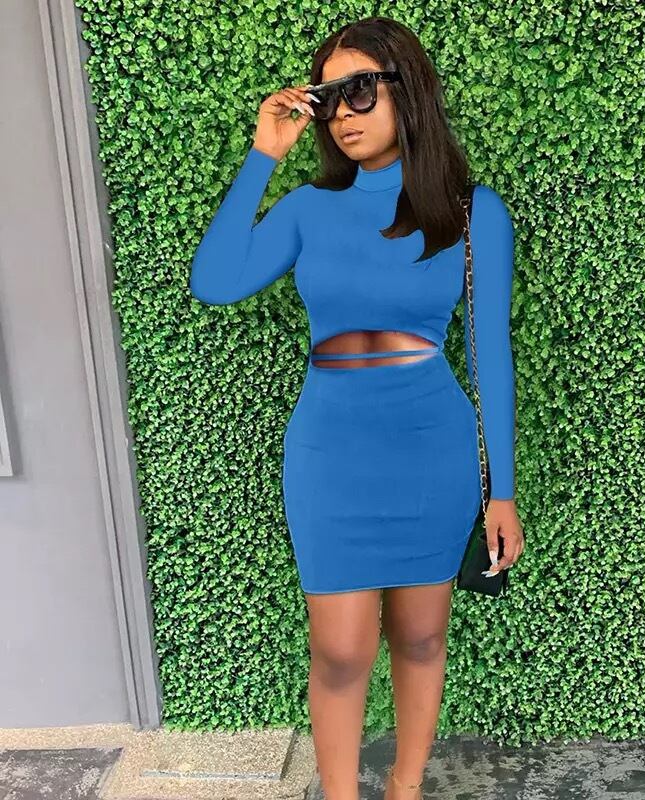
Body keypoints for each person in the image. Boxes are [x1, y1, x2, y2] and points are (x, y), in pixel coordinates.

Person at [189, 16, 524, 800]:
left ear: (410, 91)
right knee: (340, 652)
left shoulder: (472, 212)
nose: (342, 111)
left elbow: (491, 355)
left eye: (361, 89)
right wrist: (264, 154)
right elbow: (215, 280)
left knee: (422, 637)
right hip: (331, 452)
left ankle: (405, 789)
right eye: (329, 95)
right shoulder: (308, 207)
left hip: (431, 448)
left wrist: (501, 492)